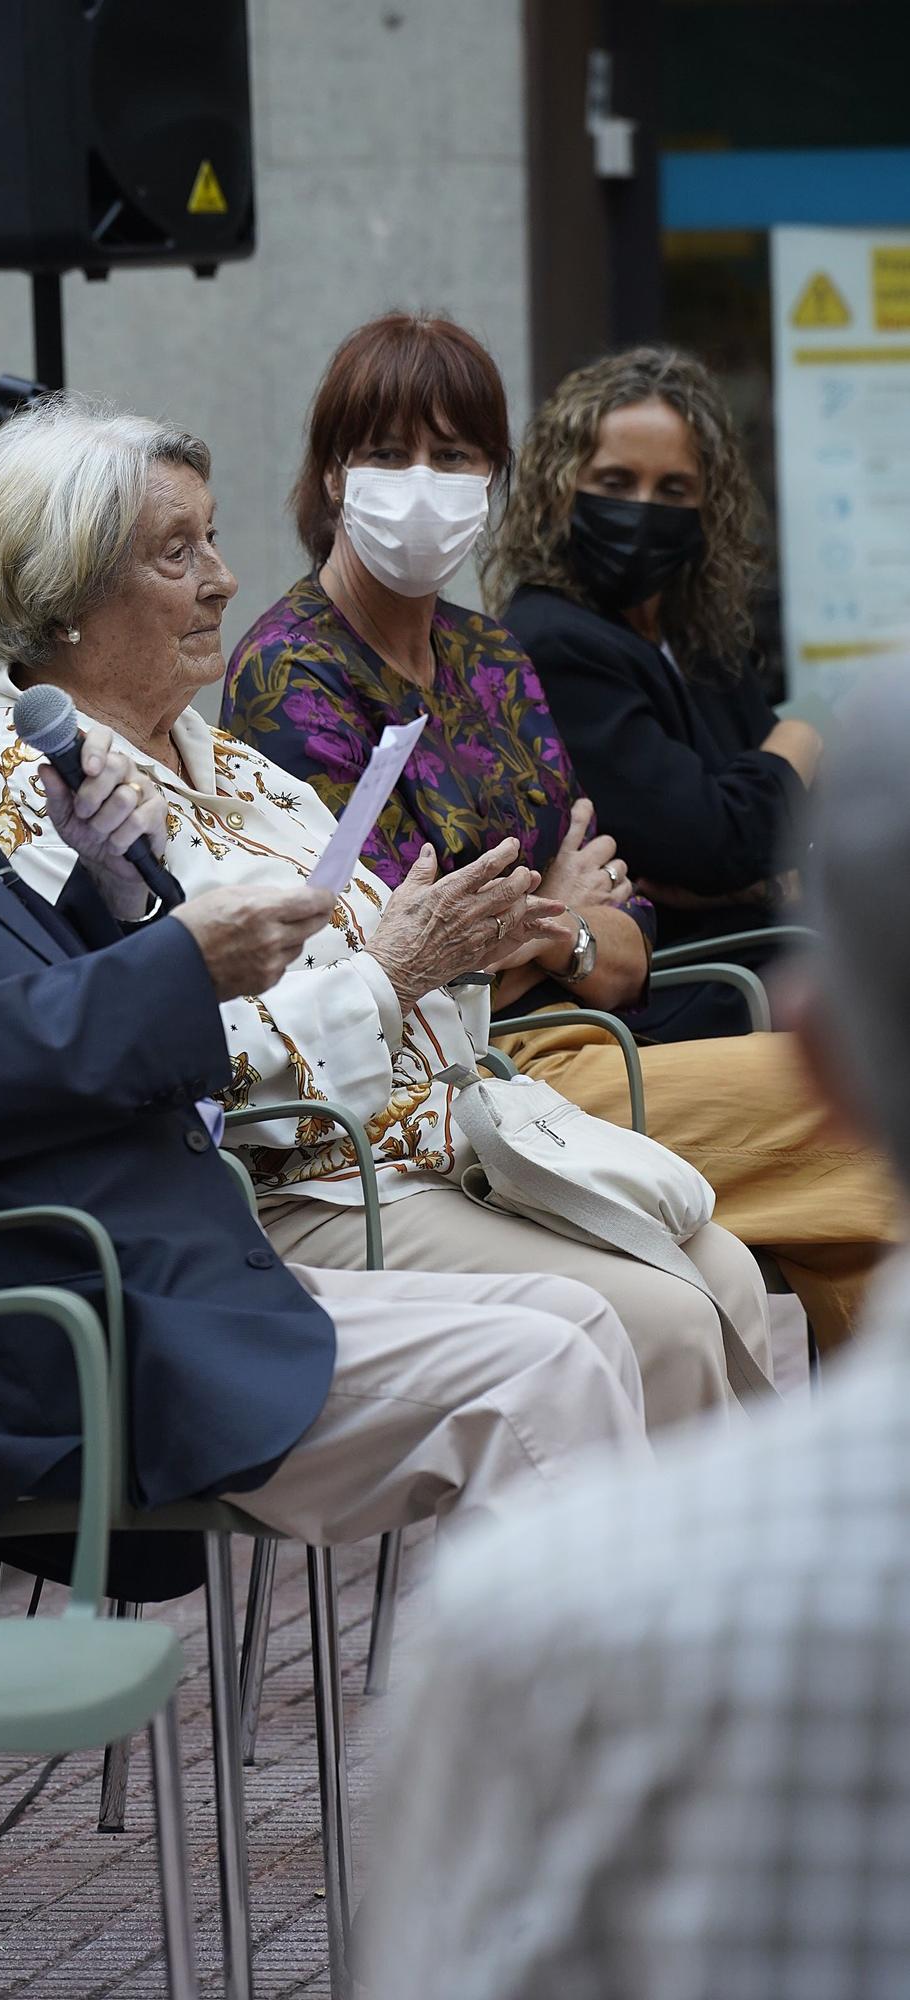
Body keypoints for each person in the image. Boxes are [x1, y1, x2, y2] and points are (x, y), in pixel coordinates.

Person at [0, 399, 651, 1596]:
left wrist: (110, 902)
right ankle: (594, 1781)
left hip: (117, 1272)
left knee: (586, 1328)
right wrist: (177, 963)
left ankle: (576, 1762)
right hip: (12, 1335)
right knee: (547, 1372)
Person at [0, 393, 775, 1431]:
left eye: (210, 536)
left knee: (724, 1269)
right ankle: (645, 1589)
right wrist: (399, 969)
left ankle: (718, 1583)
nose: (223, 575)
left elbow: (403, 967)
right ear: (68, 590)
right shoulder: (31, 790)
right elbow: (139, 1048)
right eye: (178, 552)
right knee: (653, 1316)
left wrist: (473, 939)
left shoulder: (224, 760)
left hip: (426, 1132)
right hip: (277, 1188)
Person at [365, 679, 910, 2000]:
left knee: (704, 1268)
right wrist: (551, 937)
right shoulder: (295, 694)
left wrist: (539, 940)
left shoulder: (534, 1627)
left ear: (825, 1065)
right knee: (680, 1280)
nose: (209, 574)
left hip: (504, 1073)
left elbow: (630, 932)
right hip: (426, 1118)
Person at [220, 309, 899, 1352]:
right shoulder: (288, 670)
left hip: (579, 1040)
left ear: (491, 476)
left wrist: (561, 933)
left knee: (851, 1213)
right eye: (386, 451)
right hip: (450, 1098)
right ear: (328, 478)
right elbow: (384, 955)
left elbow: (621, 931)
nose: (420, 480)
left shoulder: (487, 655)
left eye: (451, 454)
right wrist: (553, 918)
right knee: (850, 1115)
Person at [489, 344, 821, 1042]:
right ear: (560, 489)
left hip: (778, 965)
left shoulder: (697, 635)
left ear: (709, 503)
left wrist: (765, 853)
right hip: (689, 997)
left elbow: (796, 833)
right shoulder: (551, 639)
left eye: (673, 489)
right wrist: (803, 738)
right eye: (615, 480)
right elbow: (717, 843)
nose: (643, 510)